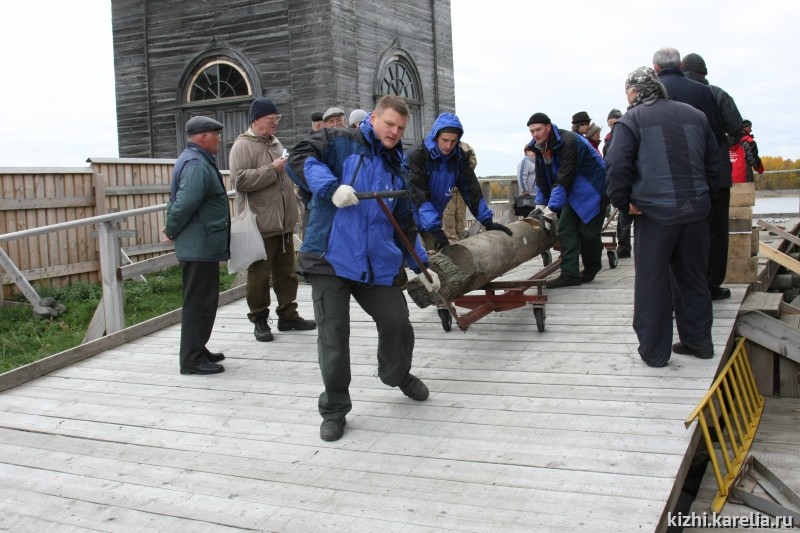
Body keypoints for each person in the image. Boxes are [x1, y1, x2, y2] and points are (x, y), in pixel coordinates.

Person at [286, 95, 440, 442]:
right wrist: (330, 187)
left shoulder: (397, 167)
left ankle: (396, 374)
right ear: (373, 118)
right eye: (389, 124)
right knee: (334, 335)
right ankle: (335, 409)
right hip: (332, 258)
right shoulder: (340, 140)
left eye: (400, 128)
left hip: (378, 264)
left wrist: (421, 265)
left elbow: (405, 224)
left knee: (398, 322)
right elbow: (299, 157)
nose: (394, 132)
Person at [605, 66, 720, 368]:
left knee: (652, 284)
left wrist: (623, 203)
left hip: (654, 215)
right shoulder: (696, 115)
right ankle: (700, 342)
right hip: (695, 213)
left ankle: (655, 353)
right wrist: (703, 199)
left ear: (635, 91)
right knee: (693, 278)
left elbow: (617, 167)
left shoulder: (631, 120)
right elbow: (714, 165)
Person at [229, 97, 316, 343]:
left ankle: (288, 315)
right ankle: (259, 319)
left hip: (284, 223)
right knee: (259, 275)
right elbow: (239, 181)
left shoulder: (275, 143)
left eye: (277, 120)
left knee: (286, 272)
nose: (275, 124)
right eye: (271, 120)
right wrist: (272, 169)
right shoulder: (242, 146)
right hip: (260, 224)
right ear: (256, 120)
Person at [653, 47, 734, 301]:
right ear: (705, 72)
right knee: (716, 233)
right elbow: (730, 128)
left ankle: (676, 292)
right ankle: (710, 286)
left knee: (678, 235)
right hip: (714, 174)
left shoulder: (656, 92)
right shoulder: (713, 92)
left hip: (672, 179)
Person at [164, 116, 230, 375]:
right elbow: (184, 204)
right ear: (203, 136)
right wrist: (170, 228)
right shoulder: (195, 164)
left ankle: (197, 348)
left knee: (203, 300)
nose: (219, 139)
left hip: (202, 244)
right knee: (198, 303)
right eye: (216, 134)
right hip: (199, 245)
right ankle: (191, 359)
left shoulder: (196, 159)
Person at [407, 113, 512, 251]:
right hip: (406, 215)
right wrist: (436, 229)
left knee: (434, 258)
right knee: (401, 260)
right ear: (436, 136)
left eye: (453, 141)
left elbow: (471, 190)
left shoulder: (459, 158)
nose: (448, 145)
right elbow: (419, 195)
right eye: (444, 140)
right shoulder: (418, 155)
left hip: (430, 219)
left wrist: (487, 220)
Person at [526, 112, 607, 288]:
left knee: (588, 234)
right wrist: (541, 204)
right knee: (566, 228)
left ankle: (592, 267)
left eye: (538, 129)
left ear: (548, 127)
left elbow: (564, 177)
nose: (535, 134)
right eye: (532, 131)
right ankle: (570, 274)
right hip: (571, 191)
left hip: (593, 189)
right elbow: (542, 179)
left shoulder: (570, 141)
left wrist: (552, 208)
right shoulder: (538, 147)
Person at [603, 108, 631, 258]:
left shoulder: (629, 135)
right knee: (624, 219)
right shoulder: (607, 142)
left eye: (614, 124)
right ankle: (624, 247)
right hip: (619, 184)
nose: (612, 127)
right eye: (610, 124)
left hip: (633, 182)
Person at [515, 145, 537, 217]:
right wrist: (524, 190)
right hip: (528, 195)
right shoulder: (525, 162)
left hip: (536, 195)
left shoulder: (536, 161)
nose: (534, 152)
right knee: (529, 216)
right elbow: (521, 176)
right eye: (531, 150)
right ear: (526, 152)